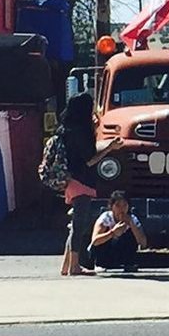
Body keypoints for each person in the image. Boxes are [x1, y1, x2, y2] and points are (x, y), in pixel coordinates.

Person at [58, 93, 123, 277]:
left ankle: (66, 265)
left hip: (71, 179)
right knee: (79, 225)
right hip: (82, 180)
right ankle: (75, 266)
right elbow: (89, 160)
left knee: (75, 224)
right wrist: (110, 148)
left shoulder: (67, 129)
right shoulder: (81, 132)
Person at [88, 190, 148, 272]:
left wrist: (132, 225)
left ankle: (129, 263)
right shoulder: (105, 218)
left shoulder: (133, 219)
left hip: (121, 250)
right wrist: (112, 232)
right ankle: (100, 264)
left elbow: (143, 243)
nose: (121, 209)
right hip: (106, 250)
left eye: (124, 205)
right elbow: (95, 241)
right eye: (118, 206)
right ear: (111, 207)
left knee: (130, 234)